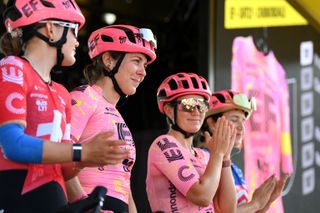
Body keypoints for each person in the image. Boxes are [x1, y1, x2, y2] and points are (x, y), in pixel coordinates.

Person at [0, 0, 129, 212]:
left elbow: (63, 169)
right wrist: (82, 152)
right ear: (51, 28)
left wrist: (86, 164)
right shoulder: (12, 67)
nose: (78, 41)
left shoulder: (61, 92)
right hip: (17, 200)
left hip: (54, 202)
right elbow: (13, 144)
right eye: (74, 30)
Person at [66, 24, 157, 212]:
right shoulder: (85, 96)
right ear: (108, 60)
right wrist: (85, 206)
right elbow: (59, 159)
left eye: (145, 65)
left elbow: (125, 183)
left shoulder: (116, 114)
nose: (143, 72)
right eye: (136, 61)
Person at [146, 72, 237, 213]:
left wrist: (225, 158)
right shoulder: (164, 144)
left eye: (201, 105)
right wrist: (218, 154)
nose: (196, 112)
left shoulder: (205, 155)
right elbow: (202, 196)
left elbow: (228, 210)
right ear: (170, 111)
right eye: (188, 105)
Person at [195, 90, 290, 213]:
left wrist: (265, 204)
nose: (241, 128)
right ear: (212, 123)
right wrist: (255, 204)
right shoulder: (199, 159)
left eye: (243, 121)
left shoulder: (234, 169)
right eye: (234, 120)